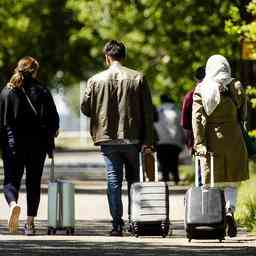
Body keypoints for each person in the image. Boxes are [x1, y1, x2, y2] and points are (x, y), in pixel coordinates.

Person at [81, 40, 154, 236]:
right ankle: (135, 221)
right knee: (134, 181)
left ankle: (116, 225)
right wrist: (148, 142)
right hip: (132, 138)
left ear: (107, 57)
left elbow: (85, 109)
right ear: (124, 56)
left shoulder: (95, 80)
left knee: (113, 181)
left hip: (107, 139)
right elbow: (148, 112)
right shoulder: (138, 78)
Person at [0, 56, 59, 235]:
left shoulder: (7, 92)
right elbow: (54, 120)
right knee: (33, 183)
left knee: (11, 180)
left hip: (13, 145)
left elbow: (1, 122)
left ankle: (13, 204)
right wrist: (52, 133)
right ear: (33, 71)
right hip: (37, 146)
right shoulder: (42, 91)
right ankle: (30, 224)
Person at [192, 54, 249, 237]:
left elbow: (198, 119)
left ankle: (216, 221)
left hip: (212, 139)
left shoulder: (202, 88)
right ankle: (230, 211)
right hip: (234, 137)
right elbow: (243, 113)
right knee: (232, 182)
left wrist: (199, 143)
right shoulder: (236, 85)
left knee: (213, 181)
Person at [154, 94, 185, 184]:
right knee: (174, 160)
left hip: (160, 140)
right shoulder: (177, 111)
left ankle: (165, 178)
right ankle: (176, 178)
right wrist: (184, 138)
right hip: (174, 141)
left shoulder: (157, 110)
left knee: (163, 161)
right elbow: (182, 125)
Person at [181, 67, 205, 153]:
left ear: (196, 78)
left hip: (196, 140)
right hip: (217, 137)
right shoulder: (219, 93)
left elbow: (185, 123)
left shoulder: (190, 96)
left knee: (200, 165)